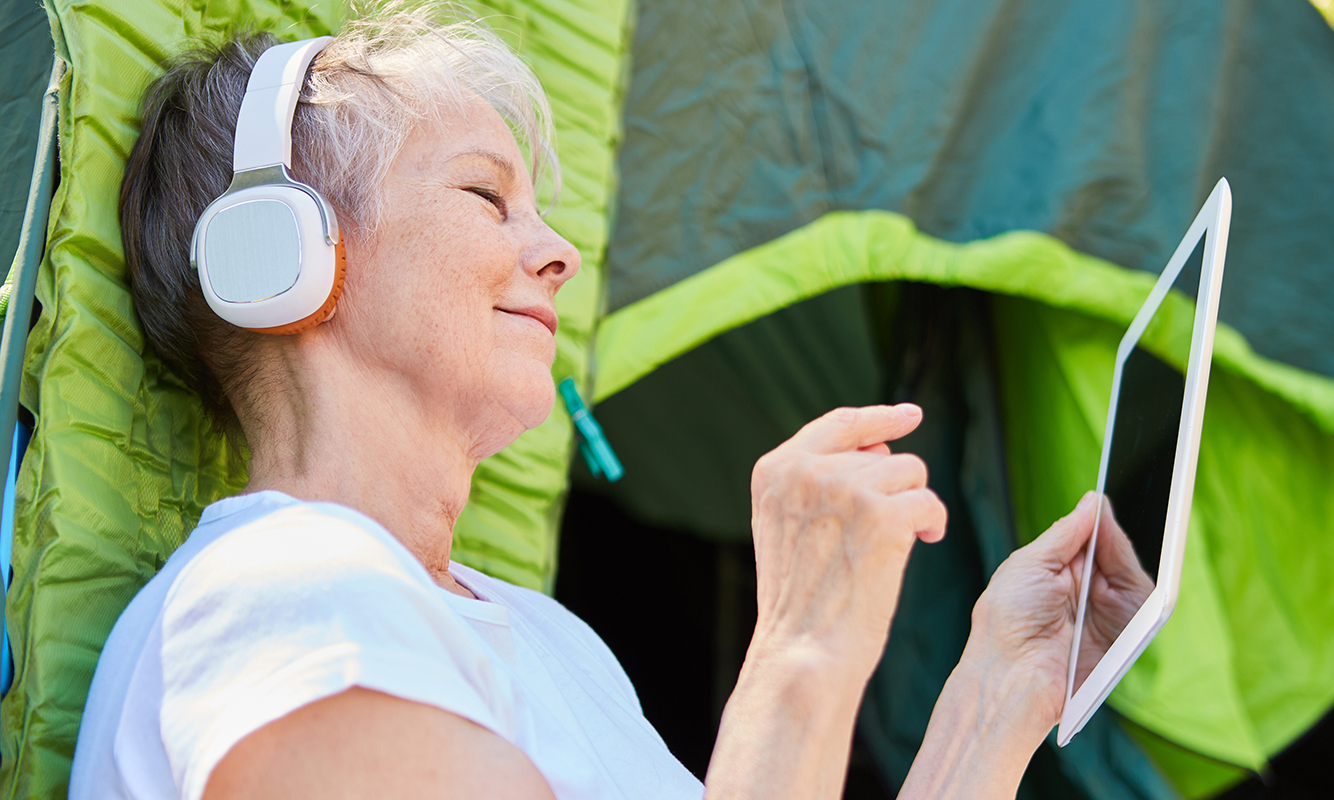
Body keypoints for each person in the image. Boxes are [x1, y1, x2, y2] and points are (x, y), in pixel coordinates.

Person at [68, 5, 1155, 800]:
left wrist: (994, 698)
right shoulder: (278, 600)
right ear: (284, 257)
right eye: (486, 194)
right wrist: (801, 649)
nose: (557, 254)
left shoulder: (549, 641)